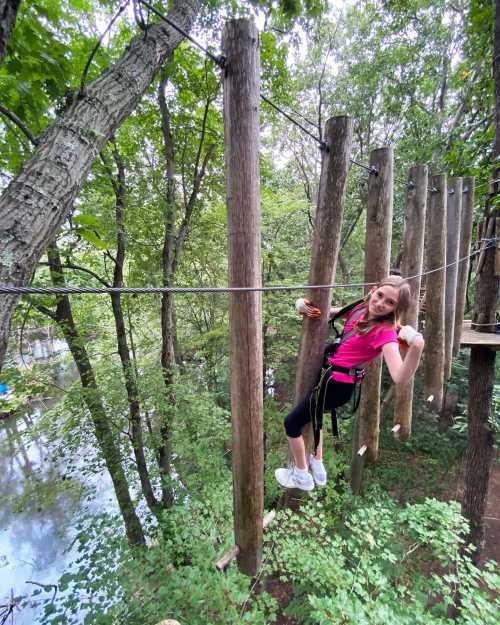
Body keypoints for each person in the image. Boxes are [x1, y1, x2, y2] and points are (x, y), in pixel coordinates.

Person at [275, 275, 425, 491]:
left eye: (390, 302)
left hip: (338, 385)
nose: (381, 303)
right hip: (330, 378)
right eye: (380, 295)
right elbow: (329, 313)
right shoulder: (361, 309)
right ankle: (318, 465)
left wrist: (417, 347)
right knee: (314, 414)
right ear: (373, 290)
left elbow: (400, 377)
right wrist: (306, 309)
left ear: (396, 308)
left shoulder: (386, 332)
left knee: (292, 423)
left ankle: (301, 475)